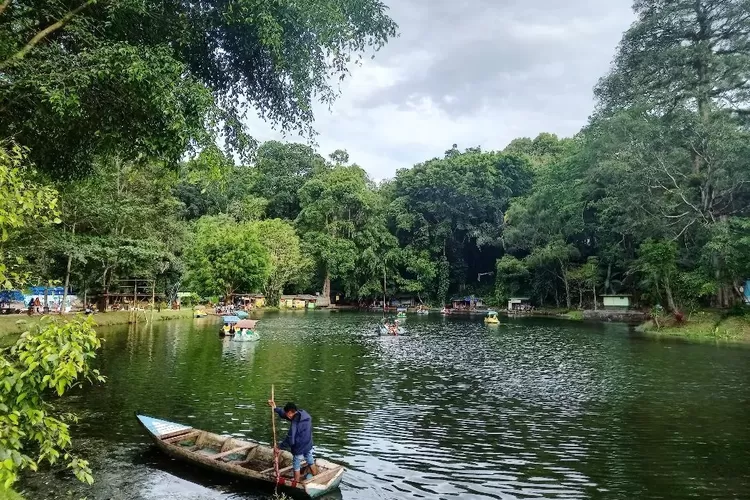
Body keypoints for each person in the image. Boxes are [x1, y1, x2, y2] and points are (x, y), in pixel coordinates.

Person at [267, 400, 318, 482]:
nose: (288, 416)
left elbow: (290, 439)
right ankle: (316, 476)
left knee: (296, 464)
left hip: (299, 447)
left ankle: (296, 483)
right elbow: (285, 415)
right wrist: (275, 408)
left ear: (291, 412)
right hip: (308, 444)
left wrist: (279, 447)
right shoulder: (303, 414)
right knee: (309, 459)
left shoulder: (295, 424)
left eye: (288, 414)